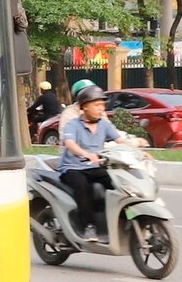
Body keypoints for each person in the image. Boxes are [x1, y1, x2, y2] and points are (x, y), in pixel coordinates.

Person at [57, 84, 144, 237]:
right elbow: (69, 143)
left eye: (102, 105)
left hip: (95, 167)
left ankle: (122, 219)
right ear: (84, 107)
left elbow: (119, 139)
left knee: (118, 183)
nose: (101, 108)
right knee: (82, 187)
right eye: (96, 105)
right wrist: (86, 154)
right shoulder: (73, 124)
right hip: (73, 168)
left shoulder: (103, 124)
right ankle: (88, 226)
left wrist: (138, 150)